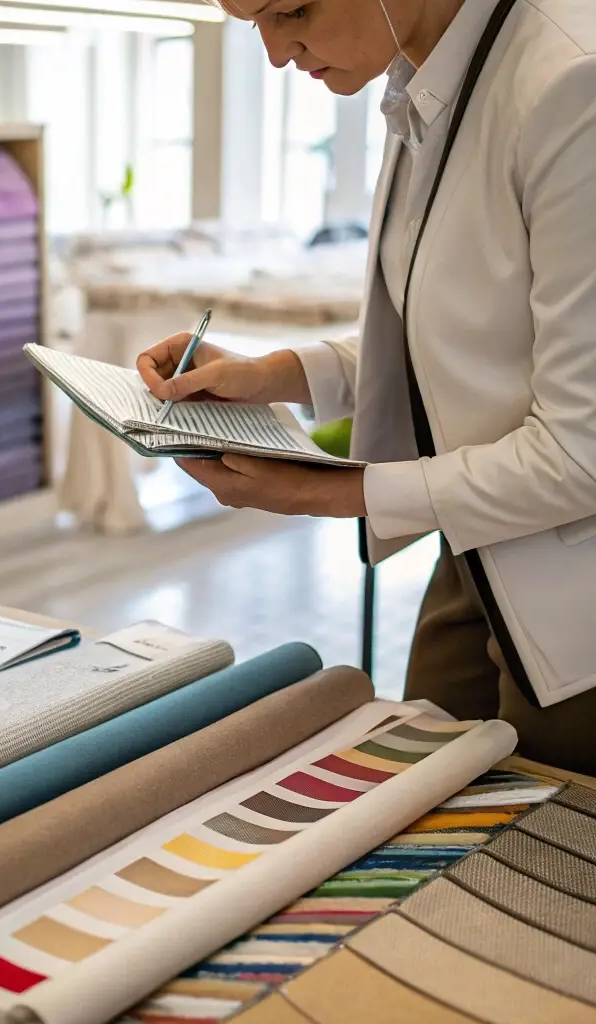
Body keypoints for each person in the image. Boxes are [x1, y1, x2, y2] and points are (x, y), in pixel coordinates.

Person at [137, 0, 596, 773]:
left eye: (290, 10)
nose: (279, 52)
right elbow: (461, 326)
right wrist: (275, 374)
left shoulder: (569, 84)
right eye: (253, 23)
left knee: (541, 865)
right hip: (481, 540)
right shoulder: (424, 78)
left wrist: (325, 491)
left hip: (571, 570)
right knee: (421, 809)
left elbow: (582, 456)